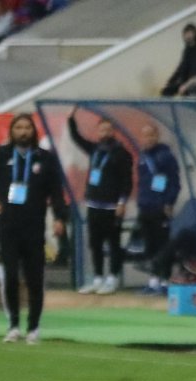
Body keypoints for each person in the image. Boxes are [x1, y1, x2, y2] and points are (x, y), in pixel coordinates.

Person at [0, 113, 67, 344]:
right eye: (18, 127)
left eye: (27, 128)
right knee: (10, 277)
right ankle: (13, 325)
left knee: (35, 279)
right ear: (11, 131)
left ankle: (33, 327)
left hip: (34, 227)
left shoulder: (45, 158)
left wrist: (60, 218)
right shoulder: (0, 155)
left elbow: (56, 191)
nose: (23, 132)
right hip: (7, 227)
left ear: (33, 131)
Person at [68, 109, 133, 295]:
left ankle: (112, 277)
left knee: (113, 242)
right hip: (94, 204)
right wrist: (71, 120)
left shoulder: (121, 153)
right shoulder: (95, 149)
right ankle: (97, 277)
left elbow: (127, 180)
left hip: (112, 206)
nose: (105, 133)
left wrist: (122, 202)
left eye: (108, 130)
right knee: (95, 243)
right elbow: (77, 138)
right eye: (102, 130)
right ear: (98, 132)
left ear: (114, 132)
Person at [134, 124, 181, 294]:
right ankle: (153, 280)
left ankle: (165, 279)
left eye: (151, 135)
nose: (148, 139)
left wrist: (169, 202)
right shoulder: (142, 157)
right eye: (145, 136)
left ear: (157, 136)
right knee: (150, 244)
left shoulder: (166, 156)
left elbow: (175, 183)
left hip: (160, 207)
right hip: (145, 206)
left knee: (163, 244)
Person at [162, 23, 196, 96]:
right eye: (185, 34)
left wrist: (187, 84)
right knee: (166, 91)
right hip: (185, 82)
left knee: (187, 91)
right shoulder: (187, 50)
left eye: (189, 33)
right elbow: (181, 67)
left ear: (195, 34)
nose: (187, 36)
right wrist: (170, 81)